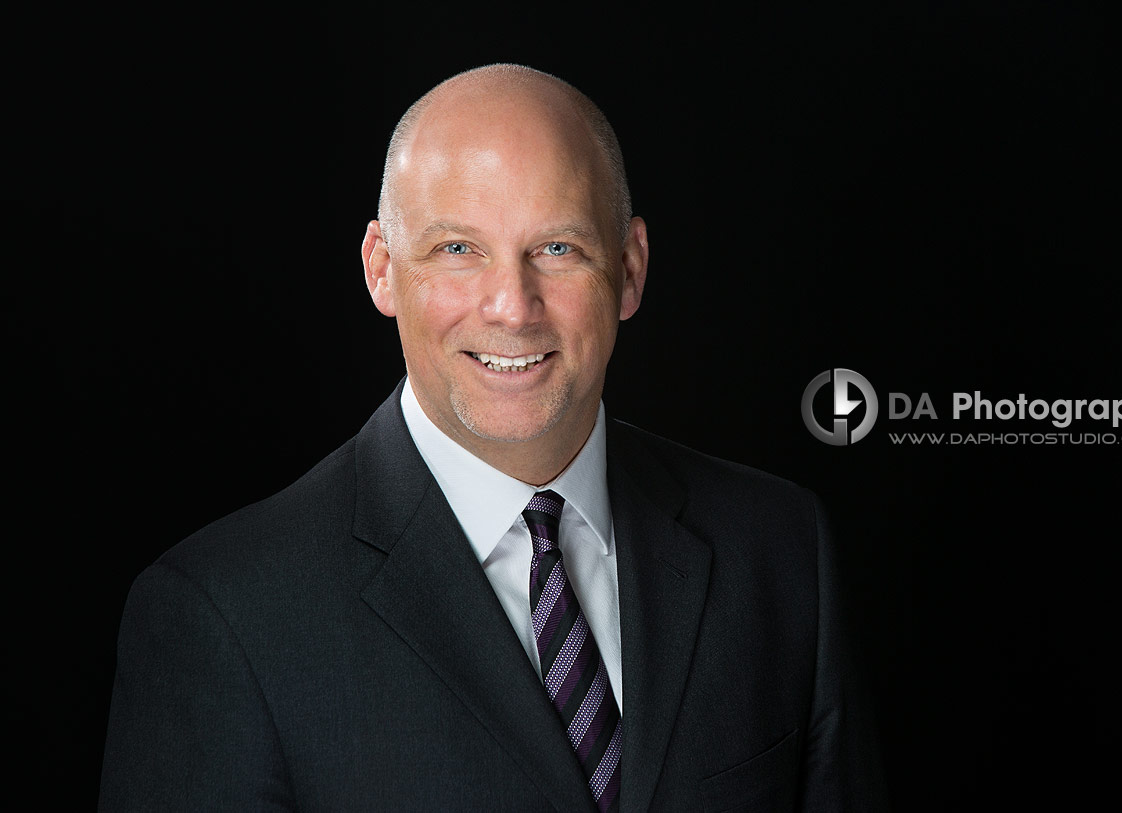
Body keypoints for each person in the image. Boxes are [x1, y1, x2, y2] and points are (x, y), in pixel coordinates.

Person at [100, 64, 885, 811]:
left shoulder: (780, 550)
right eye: (457, 249)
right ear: (381, 269)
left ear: (631, 269)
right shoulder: (221, 616)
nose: (513, 305)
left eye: (557, 248)